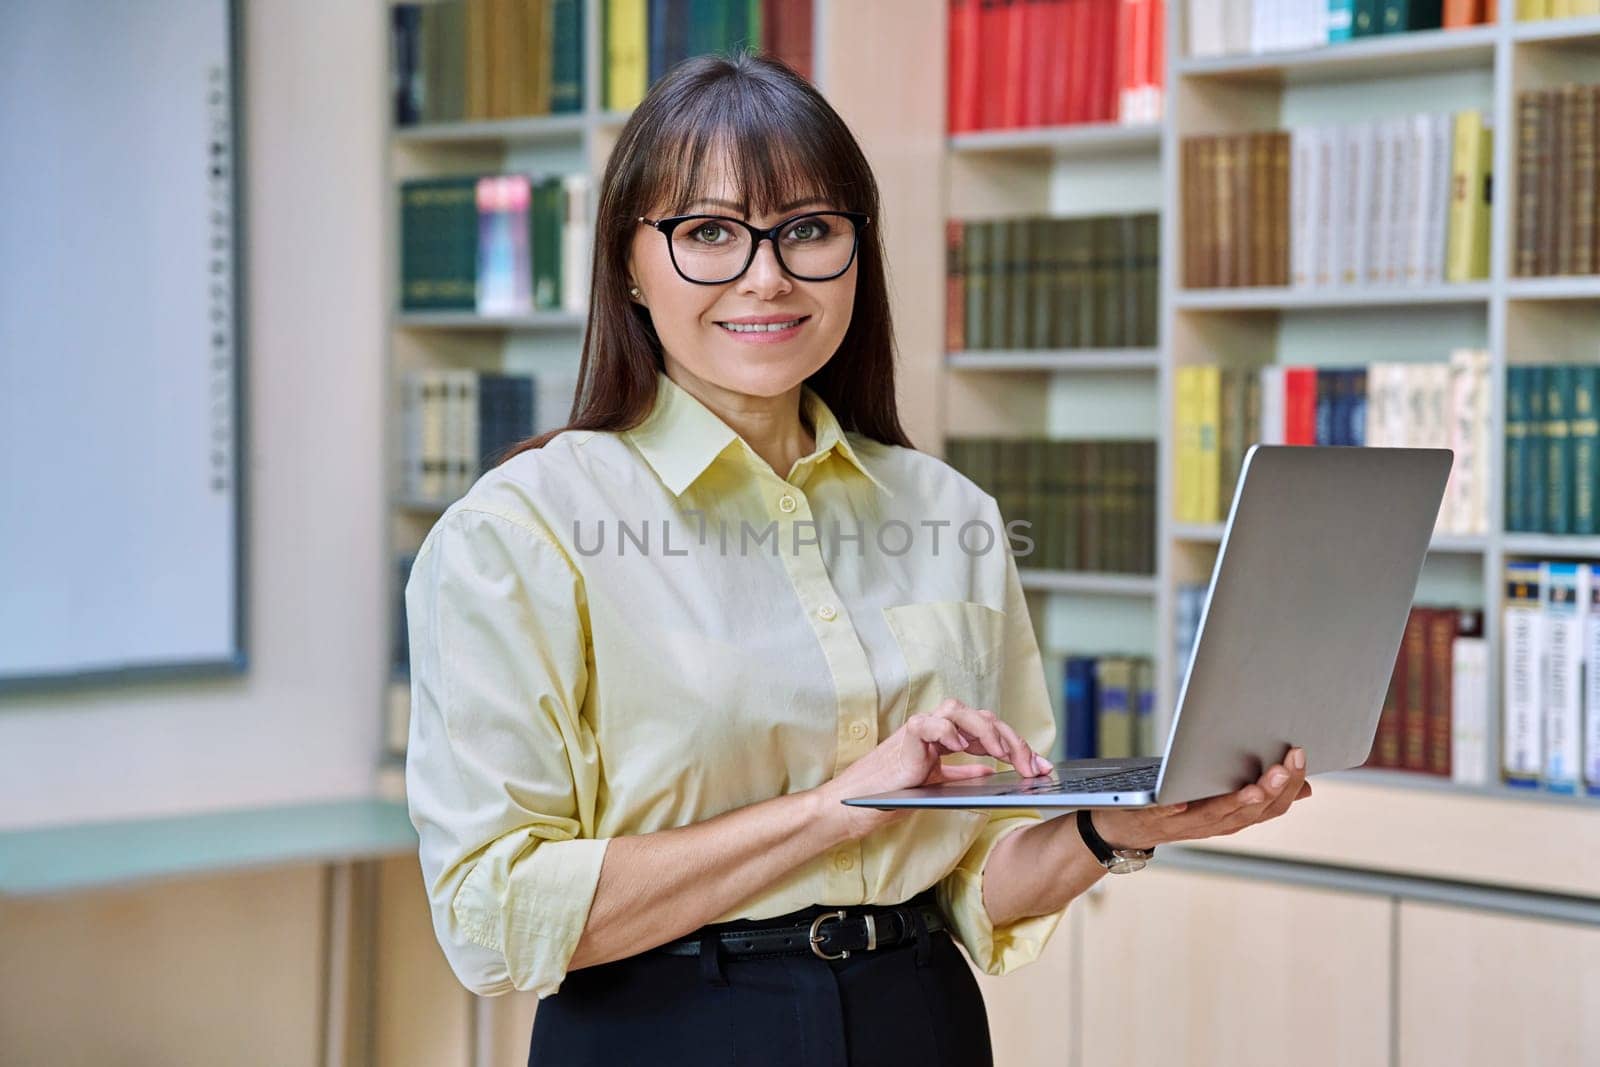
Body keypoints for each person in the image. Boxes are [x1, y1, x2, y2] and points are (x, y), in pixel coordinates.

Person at [402, 50, 1312, 1067]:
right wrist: (830, 809)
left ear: (855, 252)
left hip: (917, 1016)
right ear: (627, 259)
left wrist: (1113, 827)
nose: (767, 274)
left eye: (808, 230)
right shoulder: (522, 530)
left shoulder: (950, 514)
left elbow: (969, 883)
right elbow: (492, 916)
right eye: (707, 232)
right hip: (666, 1027)